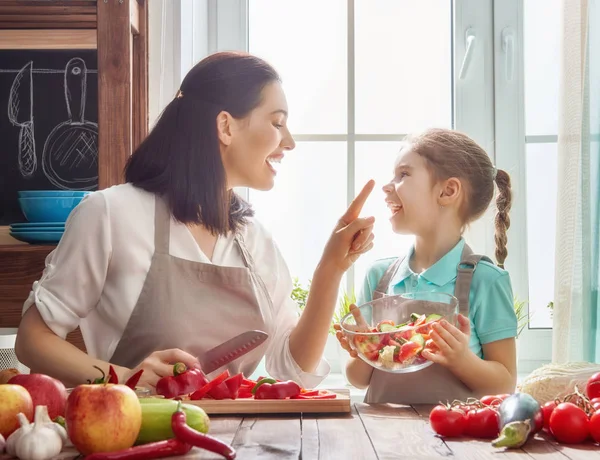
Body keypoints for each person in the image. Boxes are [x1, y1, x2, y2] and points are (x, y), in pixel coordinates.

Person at [15, 51, 376, 391]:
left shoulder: (254, 241)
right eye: (277, 123)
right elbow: (33, 340)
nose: (290, 142)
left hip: (239, 443)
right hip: (135, 439)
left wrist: (331, 268)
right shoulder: (111, 214)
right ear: (226, 127)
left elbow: (293, 368)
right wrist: (125, 377)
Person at [335, 128, 518, 404]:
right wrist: (365, 347)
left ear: (448, 191)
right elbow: (358, 378)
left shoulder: (486, 280)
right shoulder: (379, 277)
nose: (387, 186)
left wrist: (461, 360)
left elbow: (505, 383)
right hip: (380, 440)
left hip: (455, 441)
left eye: (403, 175)